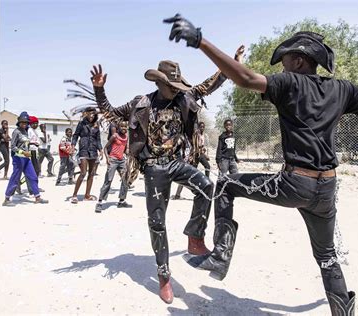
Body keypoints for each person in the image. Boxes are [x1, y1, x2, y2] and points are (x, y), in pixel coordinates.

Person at [164, 14, 358, 314]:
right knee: (327, 256)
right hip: (327, 188)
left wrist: (200, 41)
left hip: (295, 184)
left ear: (300, 61)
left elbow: (246, 78)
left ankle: (220, 255)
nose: (282, 65)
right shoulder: (343, 89)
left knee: (226, 184)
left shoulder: (289, 83)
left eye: (286, 59)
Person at [89, 46, 243, 304]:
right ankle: (164, 276)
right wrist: (99, 89)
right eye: (172, 85)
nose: (177, 89)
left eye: (178, 85)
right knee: (157, 223)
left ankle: (195, 237)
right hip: (154, 168)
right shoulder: (142, 103)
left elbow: (209, 85)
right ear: (160, 82)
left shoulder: (184, 98)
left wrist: (231, 64)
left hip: (176, 163)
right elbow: (110, 113)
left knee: (207, 186)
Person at [2, 113, 48, 206]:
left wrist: (32, 144)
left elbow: (25, 143)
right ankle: (7, 199)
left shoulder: (25, 131)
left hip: (26, 158)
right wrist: (23, 152)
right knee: (15, 178)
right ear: (18, 123)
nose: (24, 124)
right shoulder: (16, 132)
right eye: (22, 122)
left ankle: (37, 197)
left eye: (26, 123)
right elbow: (13, 147)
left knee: (33, 177)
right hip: (18, 158)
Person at [95, 121, 132, 212]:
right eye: (122, 126)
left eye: (125, 126)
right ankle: (99, 202)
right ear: (119, 127)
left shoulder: (126, 137)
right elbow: (105, 148)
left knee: (125, 179)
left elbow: (125, 149)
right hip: (113, 160)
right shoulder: (114, 136)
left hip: (121, 160)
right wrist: (107, 158)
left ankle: (121, 201)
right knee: (108, 180)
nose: (124, 128)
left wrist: (127, 153)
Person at [70, 108, 103, 204]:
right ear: (86, 114)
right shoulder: (82, 123)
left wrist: (100, 149)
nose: (91, 115)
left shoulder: (96, 125)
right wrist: (73, 145)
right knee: (83, 172)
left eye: (93, 114)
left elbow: (98, 139)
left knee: (92, 173)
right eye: (90, 113)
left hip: (93, 150)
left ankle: (87, 195)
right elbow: (75, 135)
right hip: (84, 149)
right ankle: (74, 195)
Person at [173, 121, 211, 200]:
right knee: (188, 174)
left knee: (207, 166)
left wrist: (204, 153)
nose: (202, 128)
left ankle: (207, 184)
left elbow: (201, 146)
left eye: (203, 127)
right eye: (200, 127)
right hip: (195, 155)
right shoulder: (195, 135)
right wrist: (191, 155)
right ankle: (177, 194)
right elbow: (194, 146)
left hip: (200, 154)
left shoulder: (203, 135)